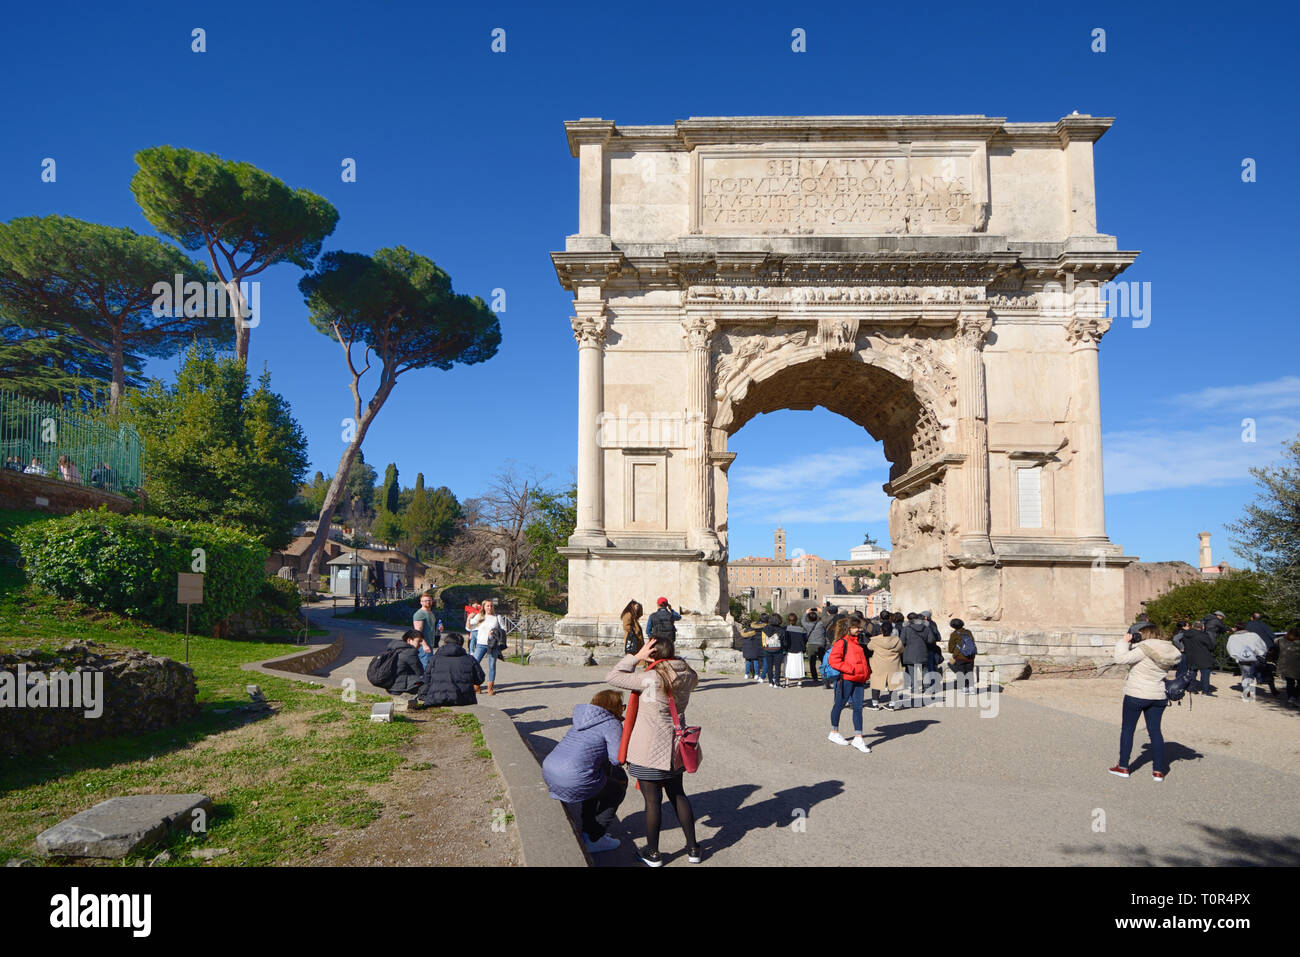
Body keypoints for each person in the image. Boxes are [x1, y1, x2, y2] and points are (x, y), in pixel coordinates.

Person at [606, 634, 701, 866]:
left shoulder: (651, 677)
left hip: (650, 748)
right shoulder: (687, 674)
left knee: (652, 801)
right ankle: (693, 849)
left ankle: (653, 853)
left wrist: (636, 657)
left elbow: (612, 677)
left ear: (652, 653)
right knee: (678, 794)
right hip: (675, 747)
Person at [541, 690, 628, 854]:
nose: (622, 709)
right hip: (573, 778)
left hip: (550, 771)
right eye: (621, 706)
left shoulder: (581, 719)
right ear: (615, 707)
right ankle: (595, 837)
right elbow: (617, 759)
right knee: (617, 791)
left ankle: (589, 829)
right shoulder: (611, 724)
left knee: (597, 782)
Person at [1109, 623, 1181, 781]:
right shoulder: (1168, 650)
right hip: (1158, 694)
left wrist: (1124, 642)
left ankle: (1123, 767)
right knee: (1155, 731)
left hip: (1137, 693)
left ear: (1146, 635)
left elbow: (1120, 659)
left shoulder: (1144, 649)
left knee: (1128, 729)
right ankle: (1158, 771)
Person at [827, 616, 871, 752]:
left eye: (859, 627)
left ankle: (858, 737)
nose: (859, 629)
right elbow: (833, 660)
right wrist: (849, 669)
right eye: (856, 627)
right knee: (839, 705)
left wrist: (867, 672)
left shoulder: (857, 642)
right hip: (847, 679)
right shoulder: (842, 643)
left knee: (858, 707)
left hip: (859, 679)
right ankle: (834, 732)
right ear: (848, 628)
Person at [416, 633, 485, 707]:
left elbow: (426, 679)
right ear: (461, 645)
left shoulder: (434, 659)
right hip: (464, 699)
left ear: (445, 643)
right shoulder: (470, 659)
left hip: (437, 698)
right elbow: (480, 679)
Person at [470, 598, 505, 695]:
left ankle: (490, 688)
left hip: (493, 645)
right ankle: (477, 686)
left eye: (491, 606)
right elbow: (470, 625)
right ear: (484, 607)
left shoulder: (497, 617)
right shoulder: (480, 616)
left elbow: (504, 629)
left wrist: (495, 632)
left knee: (492, 665)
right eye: (487, 606)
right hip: (481, 644)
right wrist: (469, 618)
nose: (490, 607)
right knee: (474, 664)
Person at [1226, 623, 1268, 701]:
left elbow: (1230, 648)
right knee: (1252, 674)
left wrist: (1235, 656)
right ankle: (1249, 693)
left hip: (1242, 658)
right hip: (1255, 657)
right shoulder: (1254, 635)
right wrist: (1261, 653)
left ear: (1236, 628)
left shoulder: (1233, 637)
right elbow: (1261, 645)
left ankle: (1248, 694)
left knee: (1246, 675)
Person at [867, 620, 903, 710]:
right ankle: (892, 703)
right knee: (893, 683)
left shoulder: (875, 640)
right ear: (891, 630)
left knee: (876, 682)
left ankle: (875, 703)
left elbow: (869, 647)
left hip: (879, 664)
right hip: (893, 664)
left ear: (881, 630)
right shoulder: (897, 640)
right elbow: (901, 650)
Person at [1243, 612, 1278, 695]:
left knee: (1250, 671)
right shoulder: (1264, 625)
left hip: (1250, 649)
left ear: (1251, 618)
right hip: (1263, 649)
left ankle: (1249, 690)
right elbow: (1272, 636)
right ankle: (1273, 689)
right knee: (1266, 668)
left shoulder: (1247, 625)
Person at [899, 613, 930, 706]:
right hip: (923, 651)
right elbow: (931, 640)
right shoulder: (926, 628)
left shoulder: (906, 629)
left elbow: (902, 641)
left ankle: (914, 688)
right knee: (924, 670)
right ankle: (927, 688)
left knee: (912, 671)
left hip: (910, 652)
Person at [383, 630, 427, 695]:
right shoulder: (410, 652)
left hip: (388, 685)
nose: (420, 644)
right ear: (409, 640)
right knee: (426, 684)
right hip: (399, 687)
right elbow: (420, 672)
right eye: (419, 641)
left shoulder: (395, 647)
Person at [1181, 621, 1217, 696]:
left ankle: (1192, 689)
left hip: (1191, 656)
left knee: (1192, 674)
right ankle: (1205, 691)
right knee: (1205, 675)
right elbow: (1211, 646)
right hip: (1203, 656)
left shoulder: (1185, 635)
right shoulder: (1203, 635)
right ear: (1202, 627)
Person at [947, 619, 978, 694]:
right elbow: (972, 642)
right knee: (969, 671)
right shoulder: (968, 632)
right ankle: (971, 688)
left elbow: (950, 649)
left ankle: (964, 688)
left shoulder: (954, 634)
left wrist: (955, 651)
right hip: (970, 656)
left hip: (960, 657)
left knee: (961, 672)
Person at [761, 613, 788, 688]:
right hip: (778, 649)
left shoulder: (765, 628)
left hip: (767, 649)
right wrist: (784, 649)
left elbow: (763, 639)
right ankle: (777, 682)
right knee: (777, 667)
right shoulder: (781, 629)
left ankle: (770, 682)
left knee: (769, 666)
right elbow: (784, 641)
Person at [412, 592, 440, 661]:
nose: (428, 602)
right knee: (425, 667)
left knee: (428, 666)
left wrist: (439, 626)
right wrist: (424, 645)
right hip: (423, 646)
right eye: (425, 601)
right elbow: (418, 632)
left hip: (430, 644)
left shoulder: (430, 613)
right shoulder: (420, 614)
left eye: (429, 600)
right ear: (421, 602)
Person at [1275, 627, 1300, 704]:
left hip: (1285, 664)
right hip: (1297, 665)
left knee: (1290, 682)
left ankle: (1290, 697)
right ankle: (1294, 696)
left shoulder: (1281, 641)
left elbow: (1275, 643)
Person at [784, 612, 807, 686]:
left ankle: (787, 681)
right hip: (798, 649)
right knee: (799, 665)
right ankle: (799, 681)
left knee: (788, 665)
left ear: (788, 620)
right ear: (796, 620)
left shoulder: (785, 629)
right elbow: (805, 640)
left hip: (789, 650)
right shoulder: (801, 629)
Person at [804, 608, 826, 684]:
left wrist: (806, 613)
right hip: (821, 643)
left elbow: (802, 621)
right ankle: (824, 676)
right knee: (823, 661)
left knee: (812, 662)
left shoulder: (807, 625)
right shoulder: (821, 624)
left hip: (811, 644)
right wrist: (821, 610)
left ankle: (815, 678)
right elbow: (825, 617)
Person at [739, 616, 764, 680]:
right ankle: (756, 674)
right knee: (755, 661)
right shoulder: (754, 632)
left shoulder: (743, 632)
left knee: (747, 661)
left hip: (746, 650)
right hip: (753, 649)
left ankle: (746, 674)